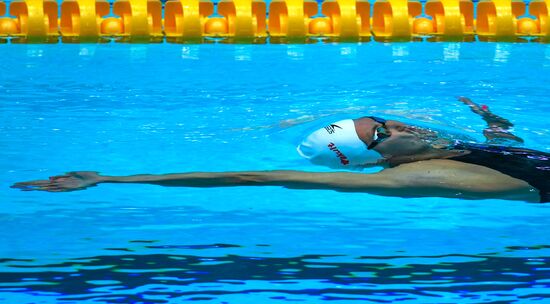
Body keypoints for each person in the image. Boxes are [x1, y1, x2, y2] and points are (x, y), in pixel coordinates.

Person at [12, 97, 550, 203]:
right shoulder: (416, 177)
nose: (395, 121)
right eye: (380, 129)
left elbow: (506, 148)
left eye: (379, 118)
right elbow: (257, 177)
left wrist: (493, 120)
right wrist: (112, 180)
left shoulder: (453, 147)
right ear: (376, 157)